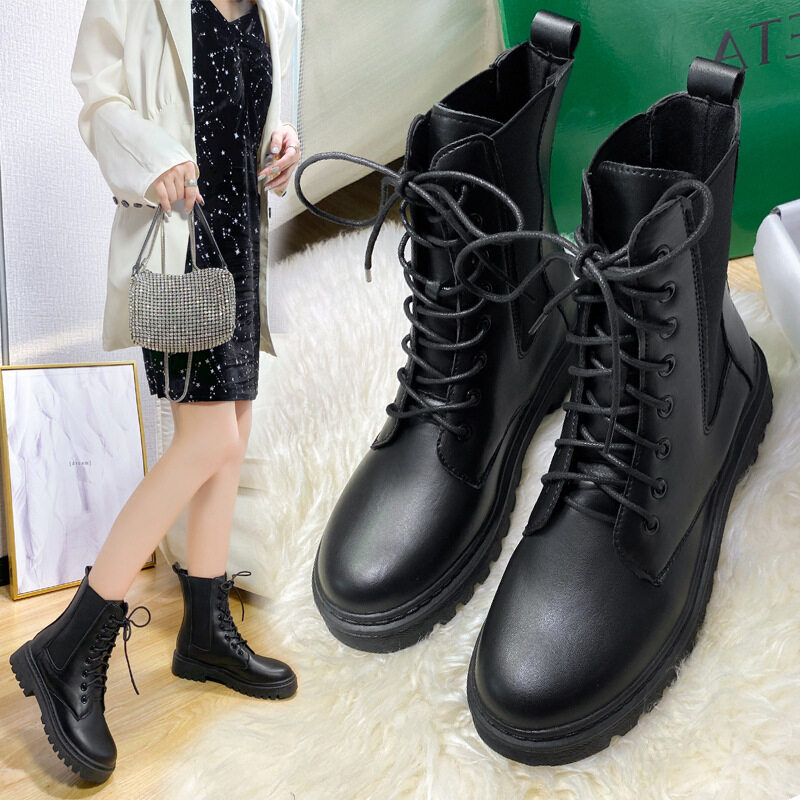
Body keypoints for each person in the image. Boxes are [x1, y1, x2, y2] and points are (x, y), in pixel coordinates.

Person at [9, 0, 300, 785]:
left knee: (231, 435)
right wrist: (154, 155)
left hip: (240, 240)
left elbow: (255, 107)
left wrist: (282, 139)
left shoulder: (273, 9)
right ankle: (67, 646)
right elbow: (97, 96)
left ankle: (204, 632)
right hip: (177, 245)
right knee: (207, 440)